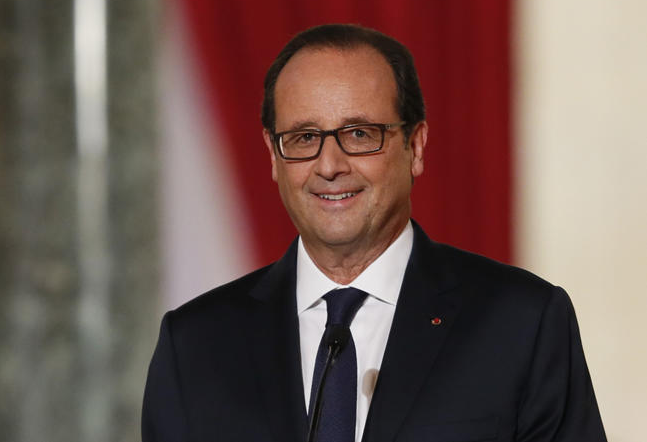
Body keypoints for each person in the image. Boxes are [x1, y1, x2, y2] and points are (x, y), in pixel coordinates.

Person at [142, 24, 606, 442]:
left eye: (359, 134)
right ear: (273, 156)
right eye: (304, 138)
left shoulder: (522, 323)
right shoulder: (195, 345)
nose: (329, 166)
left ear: (415, 146)